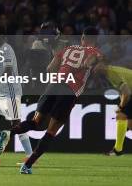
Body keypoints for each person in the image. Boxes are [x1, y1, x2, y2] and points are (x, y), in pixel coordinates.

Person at [12, 27, 103, 174]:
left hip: (53, 85)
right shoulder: (95, 51)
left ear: (82, 38)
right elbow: (90, 61)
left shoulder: (67, 49)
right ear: (95, 40)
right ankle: (27, 165)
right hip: (69, 91)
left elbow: (50, 68)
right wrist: (88, 64)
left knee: (35, 122)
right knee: (51, 131)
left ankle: (7, 132)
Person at [0, 25, 32, 165]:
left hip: (10, 92)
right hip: (0, 92)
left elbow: (8, 71)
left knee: (16, 123)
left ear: (0, 35)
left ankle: (30, 157)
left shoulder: (6, 49)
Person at [101, 65, 132, 156]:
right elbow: (123, 92)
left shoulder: (111, 73)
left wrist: (121, 107)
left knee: (121, 116)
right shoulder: (111, 73)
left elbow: (126, 93)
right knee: (130, 125)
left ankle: (118, 150)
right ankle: (118, 150)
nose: (94, 69)